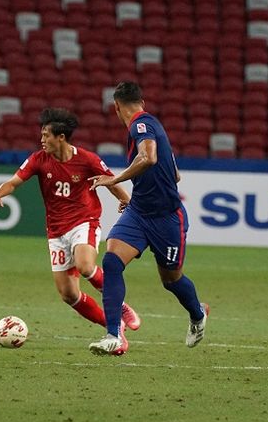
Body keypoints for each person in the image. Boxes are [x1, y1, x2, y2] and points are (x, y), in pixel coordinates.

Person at [0, 108, 141, 355]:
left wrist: (127, 201)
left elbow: (110, 180)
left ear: (61, 137)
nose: (42, 139)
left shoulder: (87, 159)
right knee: (69, 295)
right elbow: (14, 182)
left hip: (84, 221)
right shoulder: (38, 159)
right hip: (56, 231)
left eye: (46, 135)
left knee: (84, 265)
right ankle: (114, 326)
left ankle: (120, 306)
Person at [88, 81, 208, 356]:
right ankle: (113, 335)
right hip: (139, 212)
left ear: (116, 106)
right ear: (142, 101)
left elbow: (149, 158)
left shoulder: (140, 125)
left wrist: (114, 180)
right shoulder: (155, 125)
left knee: (171, 280)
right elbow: (174, 173)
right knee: (111, 261)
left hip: (167, 218)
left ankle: (198, 314)